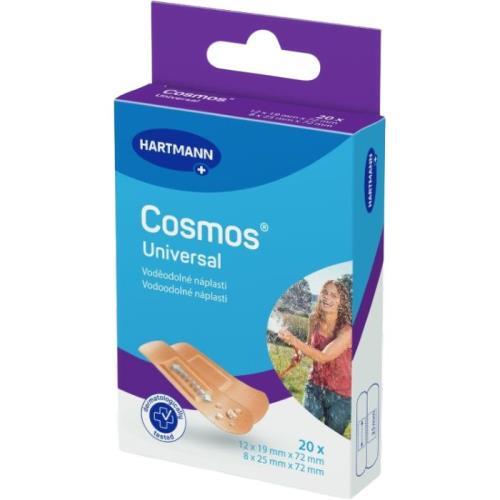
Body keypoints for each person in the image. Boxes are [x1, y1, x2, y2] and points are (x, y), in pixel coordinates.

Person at [278, 280, 352, 436]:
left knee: (331, 439)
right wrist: (299, 354)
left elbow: (323, 357)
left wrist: (293, 340)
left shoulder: (347, 331)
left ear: (341, 302)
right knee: (306, 432)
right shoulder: (313, 319)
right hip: (315, 386)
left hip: (341, 395)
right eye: (325, 292)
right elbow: (309, 346)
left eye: (334, 295)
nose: (327, 297)